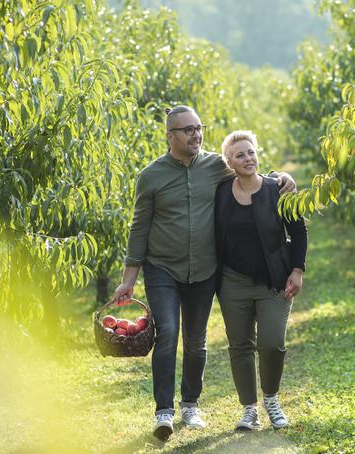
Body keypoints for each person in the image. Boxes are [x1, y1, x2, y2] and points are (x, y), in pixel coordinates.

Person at [113, 106, 295, 441]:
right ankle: (164, 412)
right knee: (167, 333)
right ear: (170, 136)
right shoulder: (150, 176)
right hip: (163, 268)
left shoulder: (216, 166)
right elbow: (139, 228)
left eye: (199, 128)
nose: (196, 135)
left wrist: (281, 177)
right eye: (188, 130)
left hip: (204, 270)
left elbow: (249, 170)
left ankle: (191, 404)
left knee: (196, 342)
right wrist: (129, 278)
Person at [215, 130, 307, 431]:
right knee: (240, 346)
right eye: (240, 154)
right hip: (233, 283)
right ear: (229, 161)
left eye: (251, 152)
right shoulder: (221, 193)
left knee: (272, 344)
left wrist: (297, 270)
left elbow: (299, 232)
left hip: (274, 281)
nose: (247, 158)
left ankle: (271, 400)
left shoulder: (276, 189)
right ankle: (249, 410)